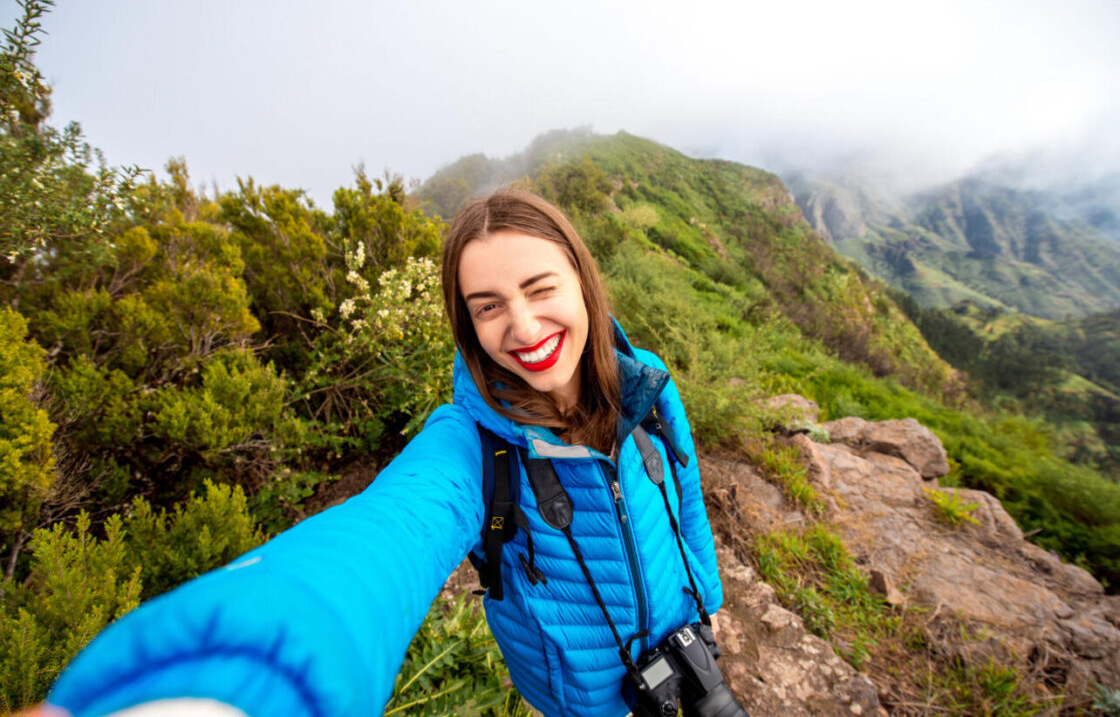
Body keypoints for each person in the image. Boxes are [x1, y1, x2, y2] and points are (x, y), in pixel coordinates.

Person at [43, 190, 725, 717]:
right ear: (467, 325)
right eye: (488, 307)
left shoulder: (647, 381)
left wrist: (708, 603)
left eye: (541, 288)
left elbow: (685, 498)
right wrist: (241, 676)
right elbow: (379, 539)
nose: (522, 326)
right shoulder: (472, 449)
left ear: (582, 280)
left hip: (694, 658)